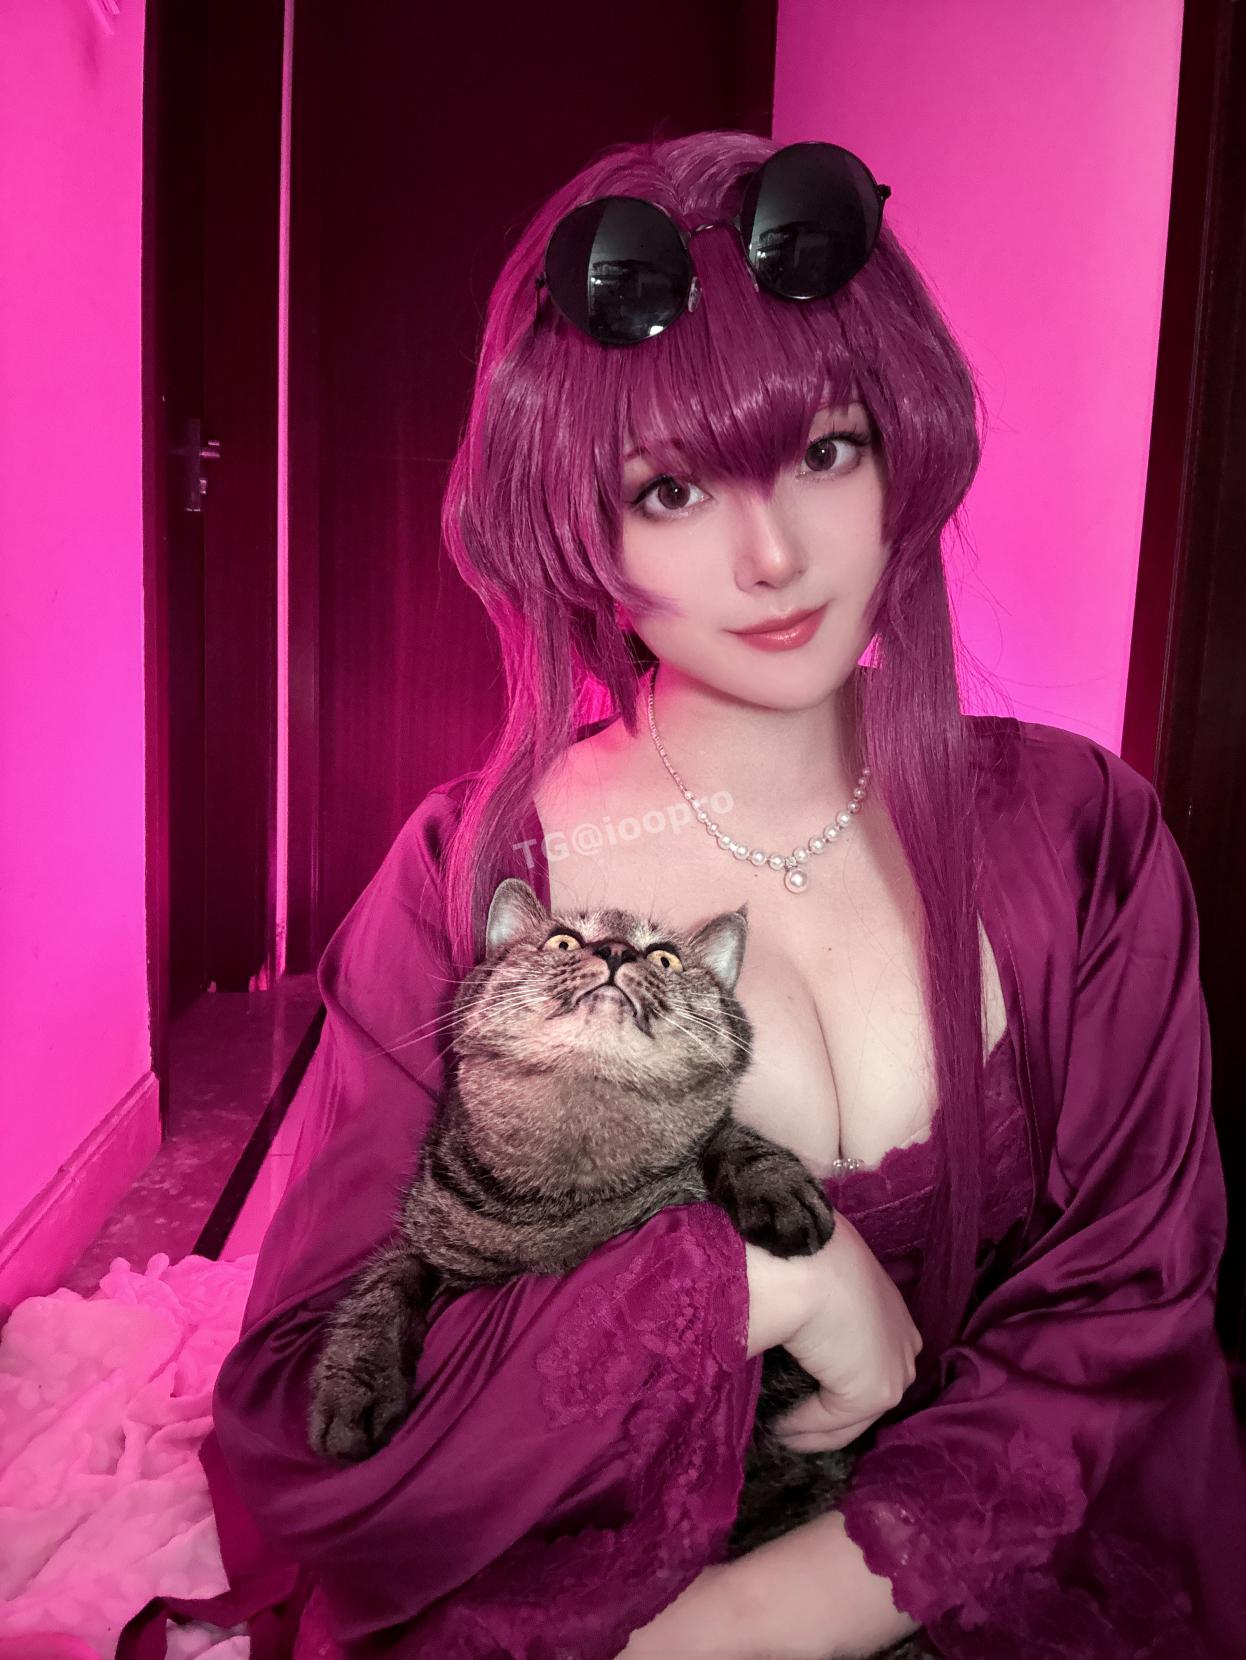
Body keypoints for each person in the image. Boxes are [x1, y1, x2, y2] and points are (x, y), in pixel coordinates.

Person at [199, 131, 1246, 1658]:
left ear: (899, 449)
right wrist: (745, 1281)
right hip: (587, 1580)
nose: (770, 556)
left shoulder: (1083, 835)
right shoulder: (473, 880)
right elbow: (311, 1412)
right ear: (577, 516)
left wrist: (759, 1621)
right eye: (674, 488)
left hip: (969, 1571)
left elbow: (1123, 1316)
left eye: (823, 453)